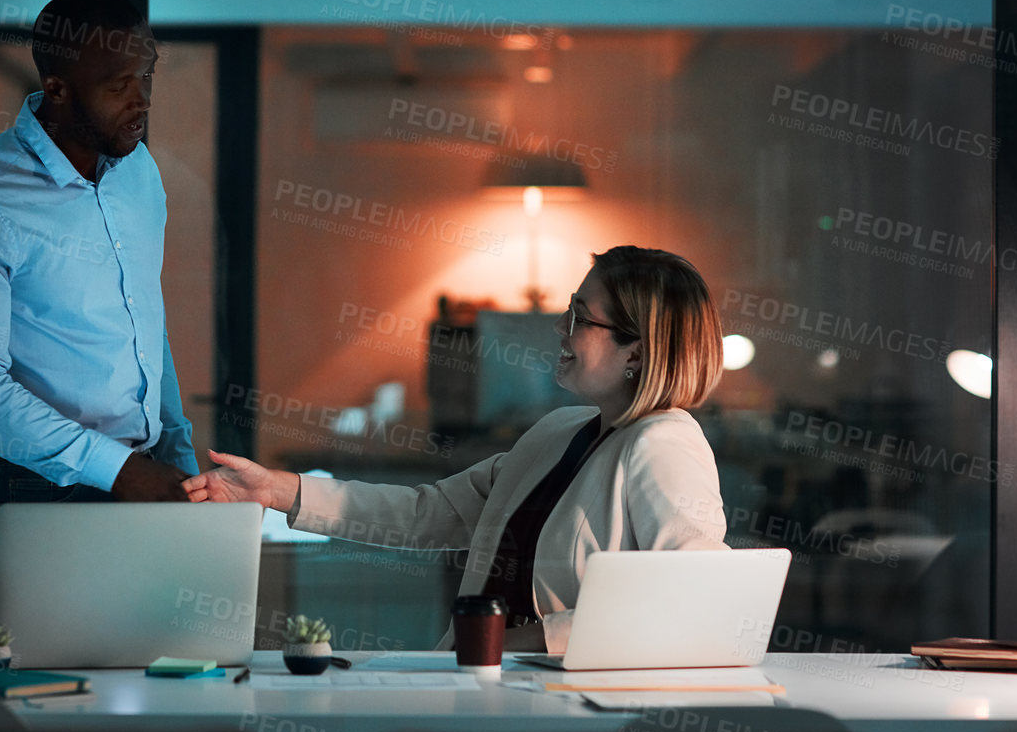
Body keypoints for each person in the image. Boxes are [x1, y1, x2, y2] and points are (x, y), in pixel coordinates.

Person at [184, 245, 729, 654]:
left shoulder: (664, 445)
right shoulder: (561, 432)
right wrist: (277, 490)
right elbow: (431, 514)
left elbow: (691, 602)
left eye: (581, 318)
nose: (560, 331)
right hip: (485, 685)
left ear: (637, 349)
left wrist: (522, 643)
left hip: (557, 715)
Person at [0, 0, 198, 618]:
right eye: (118, 83)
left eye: (147, 75)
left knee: (158, 685)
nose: (142, 100)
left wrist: (175, 459)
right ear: (59, 89)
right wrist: (123, 472)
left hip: (142, 472)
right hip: (31, 488)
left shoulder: (137, 173)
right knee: (52, 702)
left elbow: (141, 324)